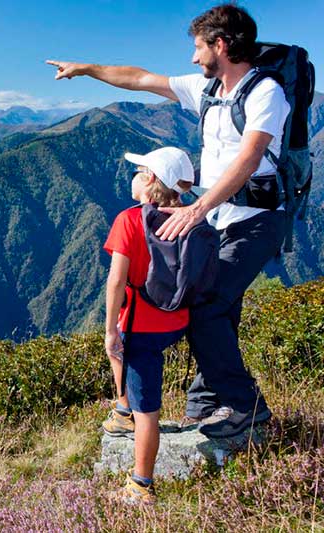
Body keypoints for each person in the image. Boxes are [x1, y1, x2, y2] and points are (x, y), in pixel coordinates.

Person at [47, 3, 290, 439]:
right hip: (216, 220)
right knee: (215, 303)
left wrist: (197, 208)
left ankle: (246, 407)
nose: (193, 58)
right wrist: (86, 69)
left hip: (255, 220)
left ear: (221, 44)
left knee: (207, 305)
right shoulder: (208, 89)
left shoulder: (265, 93)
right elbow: (140, 79)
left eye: (198, 48)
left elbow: (251, 156)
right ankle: (204, 402)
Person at [102, 147, 194, 505]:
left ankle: (141, 486)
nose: (135, 175)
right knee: (121, 349)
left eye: (140, 170)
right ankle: (124, 410)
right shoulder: (188, 216)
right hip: (179, 319)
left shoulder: (128, 220)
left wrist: (110, 330)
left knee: (148, 412)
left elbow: (115, 282)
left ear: (151, 179)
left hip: (141, 327)